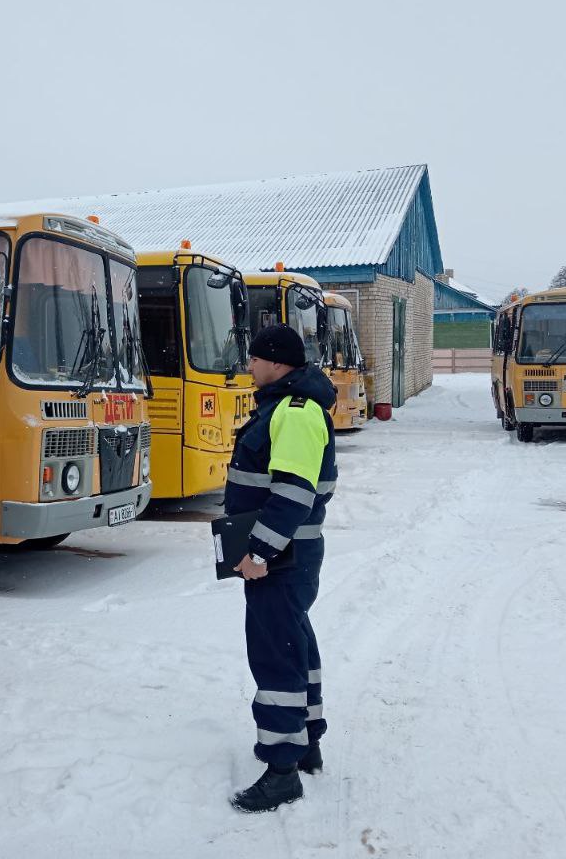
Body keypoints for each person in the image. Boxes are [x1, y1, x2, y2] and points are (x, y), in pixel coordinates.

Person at [225, 323, 338, 813]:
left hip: (281, 558)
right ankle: (306, 742)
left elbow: (293, 494)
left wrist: (259, 554)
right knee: (294, 642)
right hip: (288, 555)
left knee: (275, 655)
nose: (249, 367)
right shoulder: (288, 409)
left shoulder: (293, 413)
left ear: (275, 362)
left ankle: (280, 769)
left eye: (253, 359)